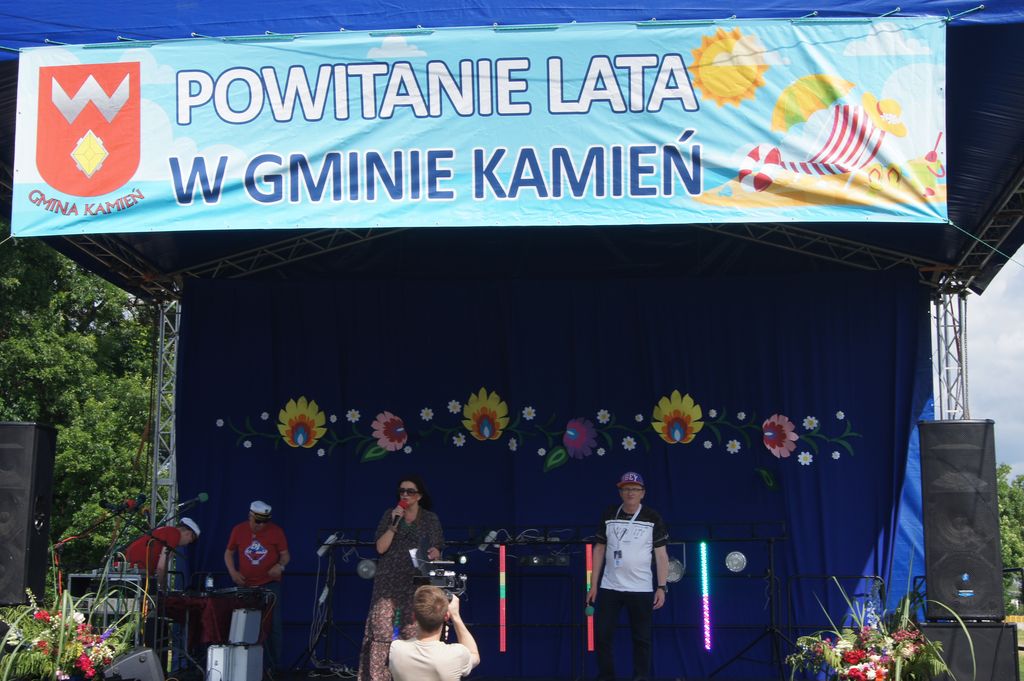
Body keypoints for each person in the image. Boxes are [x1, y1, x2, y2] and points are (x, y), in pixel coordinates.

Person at [357, 475, 445, 681]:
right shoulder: (390, 514)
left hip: (416, 581)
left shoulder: (430, 519)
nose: (405, 495)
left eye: (410, 491)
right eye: (402, 491)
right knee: (381, 628)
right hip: (389, 580)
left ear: (419, 496)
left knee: (412, 628)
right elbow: (380, 548)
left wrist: (436, 552)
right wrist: (393, 524)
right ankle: (377, 676)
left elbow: (437, 549)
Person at [586, 471, 669, 681]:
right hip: (610, 586)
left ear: (643, 493)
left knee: (641, 638)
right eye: (626, 489)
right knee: (602, 635)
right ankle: (606, 676)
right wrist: (593, 585)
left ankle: (640, 677)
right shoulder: (609, 514)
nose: (630, 493)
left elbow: (661, 555)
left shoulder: (652, 517)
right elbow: (599, 549)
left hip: (641, 588)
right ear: (620, 492)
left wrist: (661, 586)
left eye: (635, 489)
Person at [224, 500, 290, 672]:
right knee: (242, 624)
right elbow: (229, 553)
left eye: (264, 522)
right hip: (246, 585)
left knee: (274, 625)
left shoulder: (276, 531)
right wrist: (233, 572)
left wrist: (280, 566)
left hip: (269, 584)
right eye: (257, 521)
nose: (260, 525)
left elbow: (285, 555)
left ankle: (275, 667)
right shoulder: (238, 530)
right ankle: (241, 666)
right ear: (250, 516)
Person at [389, 586, 480, 681]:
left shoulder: (396, 649)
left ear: (414, 616)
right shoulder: (456, 654)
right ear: (446, 616)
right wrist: (455, 616)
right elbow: (474, 655)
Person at [124, 517, 200, 589]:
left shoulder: (166, 532)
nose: (187, 544)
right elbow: (161, 567)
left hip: (132, 570)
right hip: (138, 571)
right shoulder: (175, 533)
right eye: (190, 540)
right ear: (188, 533)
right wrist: (161, 587)